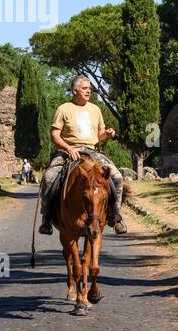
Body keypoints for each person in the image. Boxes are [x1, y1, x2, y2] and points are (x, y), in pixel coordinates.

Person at [38, 75, 127, 235]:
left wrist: (106, 134)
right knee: (49, 177)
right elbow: (55, 135)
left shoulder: (95, 109)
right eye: (85, 88)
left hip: (92, 151)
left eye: (89, 89)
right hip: (69, 151)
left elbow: (99, 136)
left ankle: (116, 216)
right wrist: (68, 148)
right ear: (74, 91)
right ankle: (47, 218)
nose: (88, 91)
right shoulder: (63, 109)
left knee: (117, 176)